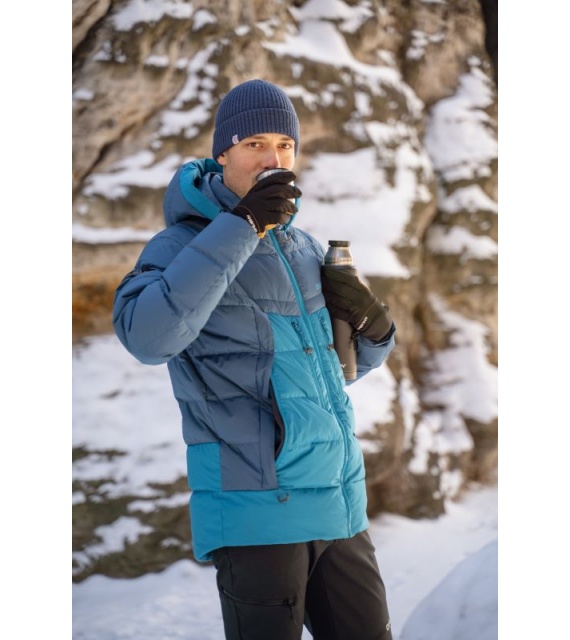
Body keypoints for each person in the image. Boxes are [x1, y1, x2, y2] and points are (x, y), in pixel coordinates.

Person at [113, 78, 397, 640]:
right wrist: (241, 225)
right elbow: (148, 337)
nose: (274, 159)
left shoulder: (304, 247)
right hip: (256, 508)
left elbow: (333, 371)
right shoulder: (178, 246)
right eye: (255, 144)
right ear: (222, 154)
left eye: (285, 146)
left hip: (339, 502)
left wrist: (377, 329)